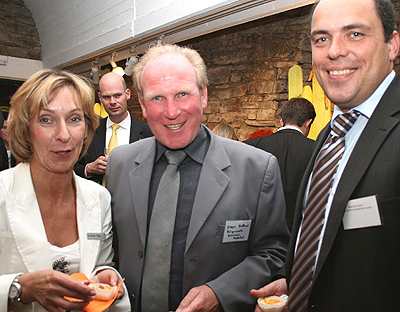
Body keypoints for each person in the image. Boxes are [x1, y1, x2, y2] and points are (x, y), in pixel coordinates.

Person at [106, 44, 289, 312]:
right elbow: (112, 250)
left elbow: (272, 254)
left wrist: (220, 292)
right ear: (143, 106)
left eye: (182, 94)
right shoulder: (120, 164)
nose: (171, 111)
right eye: (157, 98)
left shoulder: (256, 169)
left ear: (203, 96)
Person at [251, 0, 400, 311]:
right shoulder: (330, 135)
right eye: (321, 38)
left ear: (392, 44)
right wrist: (292, 280)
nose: (334, 51)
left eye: (355, 34)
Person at [0, 69, 130, 311]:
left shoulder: (98, 198)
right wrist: (19, 287)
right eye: (46, 120)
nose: (64, 135)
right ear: (26, 129)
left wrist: (103, 274)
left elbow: (99, 262)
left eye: (74, 119)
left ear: (87, 128)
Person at [244, 97, 316, 230]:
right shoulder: (317, 150)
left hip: (258, 232)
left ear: (282, 121)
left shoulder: (250, 147)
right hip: (301, 232)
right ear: (308, 123)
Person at [74, 72, 153, 184]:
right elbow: (71, 168)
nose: (112, 102)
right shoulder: (89, 131)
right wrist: (88, 169)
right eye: (107, 97)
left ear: (128, 94)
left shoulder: (148, 133)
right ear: (100, 98)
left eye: (117, 95)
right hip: (98, 199)